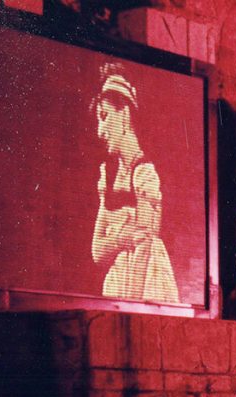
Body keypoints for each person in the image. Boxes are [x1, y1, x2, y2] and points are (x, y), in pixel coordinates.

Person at [91, 62, 180, 303]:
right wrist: (124, 238)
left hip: (142, 284)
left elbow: (144, 247)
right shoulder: (109, 175)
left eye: (104, 117)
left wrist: (133, 304)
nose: (100, 130)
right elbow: (97, 251)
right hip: (118, 282)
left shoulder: (144, 174)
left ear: (124, 115)